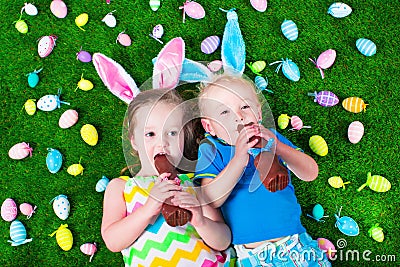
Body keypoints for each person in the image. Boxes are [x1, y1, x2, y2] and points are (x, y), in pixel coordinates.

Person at [194, 75, 331, 266]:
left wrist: (278, 147)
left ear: (258, 113)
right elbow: (211, 198)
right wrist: (239, 160)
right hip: (253, 256)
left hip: (295, 244)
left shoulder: (272, 137)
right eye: (225, 112)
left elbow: (310, 173)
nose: (239, 116)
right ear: (210, 127)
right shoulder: (212, 150)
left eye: (244, 107)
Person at [102, 89, 232, 266]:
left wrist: (200, 221)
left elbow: (224, 240)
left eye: (172, 133)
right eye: (150, 134)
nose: (162, 142)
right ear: (134, 141)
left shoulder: (192, 185)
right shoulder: (121, 187)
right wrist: (148, 209)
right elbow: (113, 241)